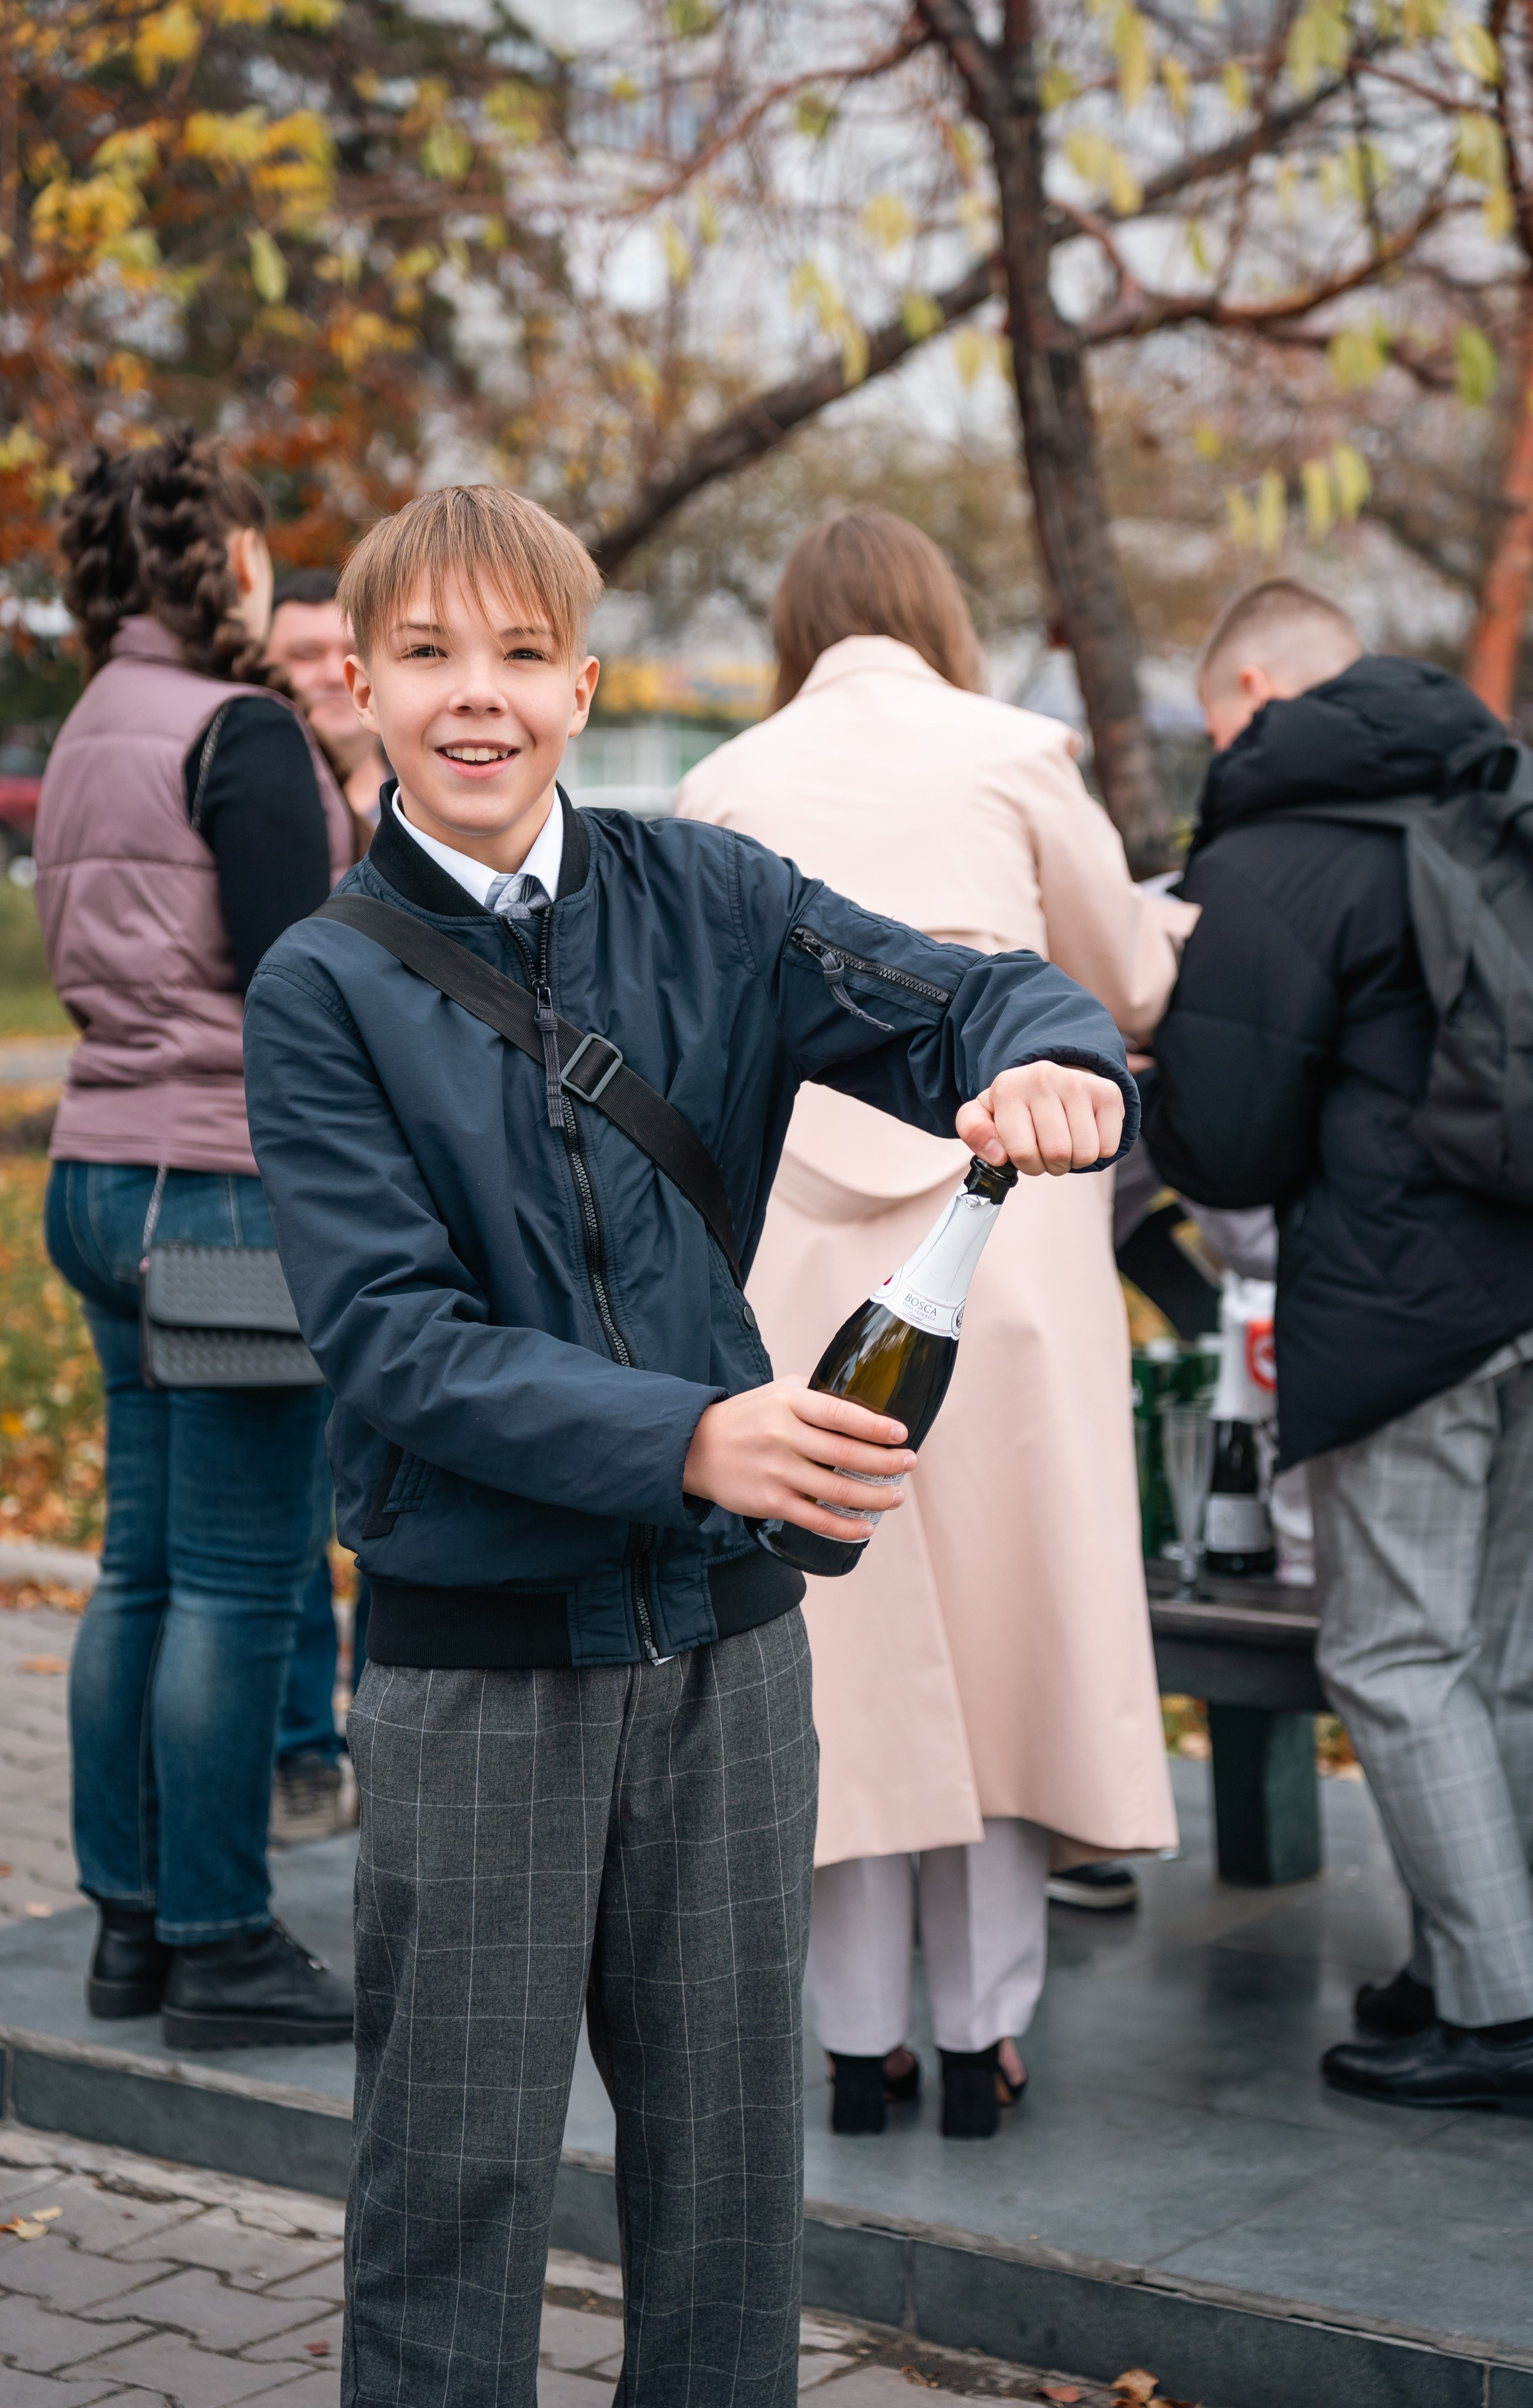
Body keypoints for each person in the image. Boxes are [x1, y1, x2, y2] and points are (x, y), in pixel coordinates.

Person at [241, 483, 1142, 2399]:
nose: (471, 699)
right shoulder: (321, 987)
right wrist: (692, 1439)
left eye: (512, 654)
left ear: (578, 681)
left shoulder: (709, 892)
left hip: (731, 1646)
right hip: (483, 1652)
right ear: (359, 698)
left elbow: (970, 987)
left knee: (730, 2192)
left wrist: (1055, 1054)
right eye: (423, 656)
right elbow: (394, 1343)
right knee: (455, 2187)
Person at [677, 508, 1186, 2138]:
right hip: (1007, 1228)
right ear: (938, 618)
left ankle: (852, 2042)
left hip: (799, 1251)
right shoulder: (1019, 748)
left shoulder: (724, 781)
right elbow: (1119, 982)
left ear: (797, 627)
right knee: (1006, 1613)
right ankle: (985, 2036)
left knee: (834, 1628)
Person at [1144, 576, 1533, 2122]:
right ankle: (1461, 1960)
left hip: (1411, 1308)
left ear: (1258, 691)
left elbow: (1216, 1144)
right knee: (1504, 1652)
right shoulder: (1518, 783)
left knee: (1394, 1653)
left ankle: (1497, 2022)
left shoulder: (1270, 856)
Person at [34, 433, 357, 2047]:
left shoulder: (90, 720)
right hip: (221, 1189)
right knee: (238, 1582)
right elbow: (304, 988)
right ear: (224, 557)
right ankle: (226, 1941)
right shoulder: (244, 732)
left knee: (143, 1565)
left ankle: (131, 1925)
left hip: (95, 1175)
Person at [263, 568, 380, 1844]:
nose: (306, 676)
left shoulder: (422, 803)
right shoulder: (271, 805)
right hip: (305, 1184)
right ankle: (304, 1752)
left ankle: (371, 1730)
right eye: (285, 656)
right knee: (297, 1483)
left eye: (322, 654)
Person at [265, 566, 387, 820]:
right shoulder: (238, 808)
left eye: (355, 651)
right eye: (307, 655)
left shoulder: (437, 801)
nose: (335, 675)